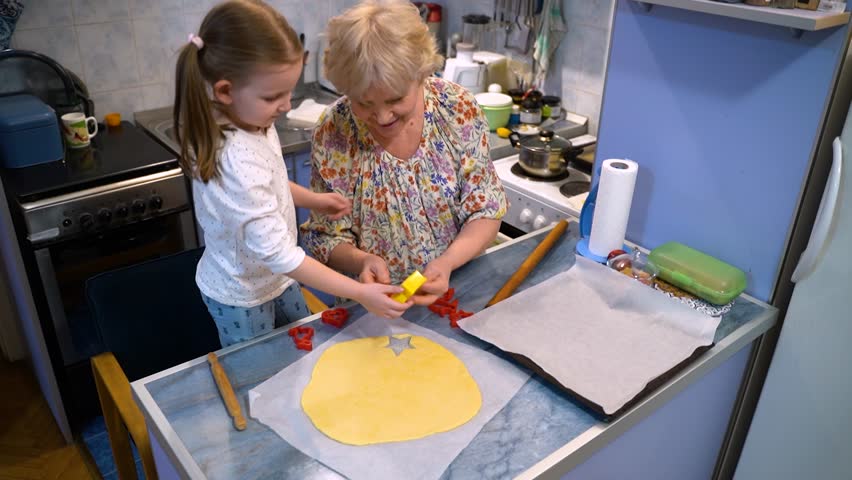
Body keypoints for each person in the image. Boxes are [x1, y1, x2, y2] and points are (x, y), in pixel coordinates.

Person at [174, 0, 411, 346]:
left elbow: (267, 187)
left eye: (289, 91)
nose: (286, 105)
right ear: (225, 91)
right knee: (261, 374)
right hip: (242, 293)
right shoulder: (233, 159)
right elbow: (281, 253)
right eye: (274, 96)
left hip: (275, 278)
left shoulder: (254, 121)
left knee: (308, 351)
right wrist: (360, 292)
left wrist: (313, 199)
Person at [301, 0, 508, 306]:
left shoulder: (456, 108)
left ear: (421, 74)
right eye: (364, 102)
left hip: (459, 291)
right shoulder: (335, 131)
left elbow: (486, 209)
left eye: (396, 99)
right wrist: (361, 262)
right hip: (373, 306)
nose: (382, 117)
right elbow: (326, 236)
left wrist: (447, 262)